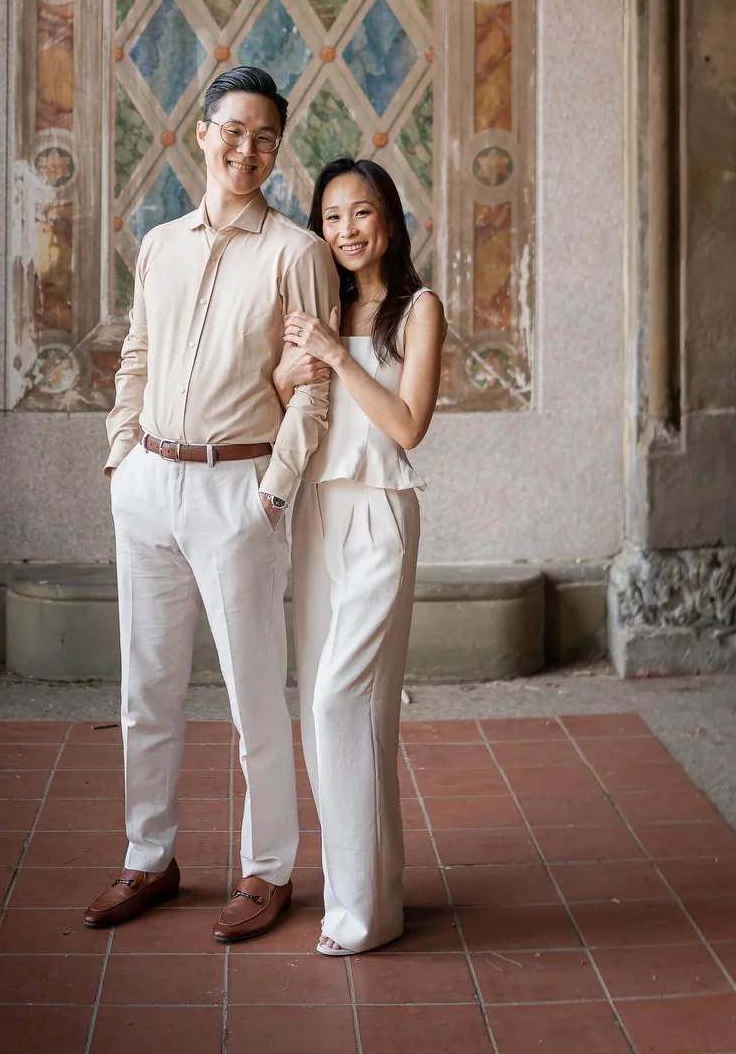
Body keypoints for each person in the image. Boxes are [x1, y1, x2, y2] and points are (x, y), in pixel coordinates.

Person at [86, 65, 339, 945]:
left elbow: (314, 391)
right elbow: (137, 359)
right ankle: (148, 856)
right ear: (202, 132)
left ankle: (268, 869)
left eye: (266, 138)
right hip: (149, 487)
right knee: (145, 690)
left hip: (239, 490)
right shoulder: (160, 243)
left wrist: (271, 495)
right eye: (234, 131)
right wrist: (122, 458)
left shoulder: (297, 253)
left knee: (253, 699)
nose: (249, 150)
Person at [276, 156, 446, 955]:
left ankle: (362, 915)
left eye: (362, 212)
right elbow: (282, 395)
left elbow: (408, 425)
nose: (346, 229)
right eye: (332, 216)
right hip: (314, 514)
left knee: (344, 702)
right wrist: (296, 361)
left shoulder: (418, 310)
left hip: (380, 513)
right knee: (330, 714)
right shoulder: (315, 306)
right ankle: (368, 898)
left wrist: (340, 356)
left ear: (389, 221)